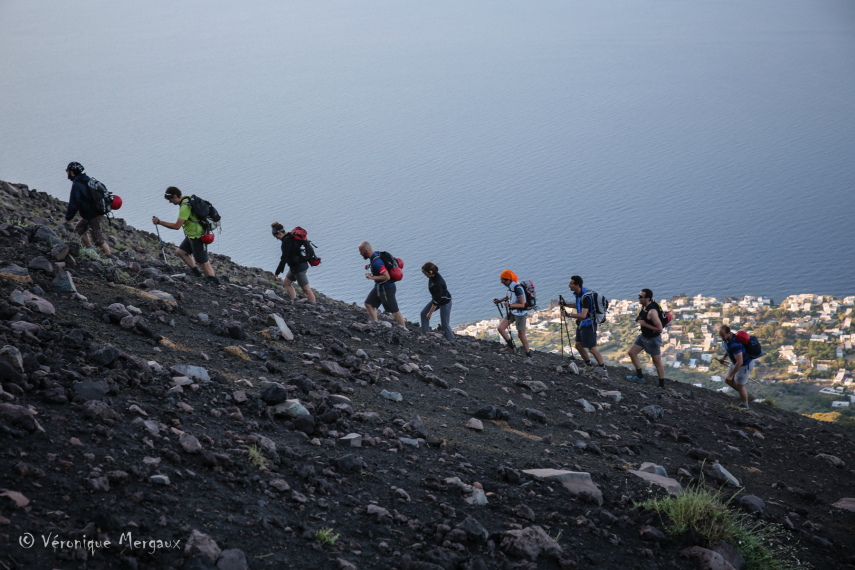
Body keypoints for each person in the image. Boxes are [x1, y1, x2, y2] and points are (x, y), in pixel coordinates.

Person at [152, 187, 219, 285]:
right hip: (191, 235)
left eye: (170, 199)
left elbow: (176, 226)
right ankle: (198, 275)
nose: (170, 202)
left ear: (175, 196)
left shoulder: (184, 207)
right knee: (181, 252)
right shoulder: (187, 199)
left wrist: (159, 222)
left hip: (197, 236)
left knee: (203, 262)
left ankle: (214, 283)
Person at [63, 162, 111, 255]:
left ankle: (109, 257)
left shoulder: (77, 185)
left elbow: (74, 203)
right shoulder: (87, 179)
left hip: (93, 214)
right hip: (91, 213)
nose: (67, 173)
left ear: (72, 172)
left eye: (67, 171)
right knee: (80, 228)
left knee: (98, 238)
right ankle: (89, 248)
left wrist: (68, 218)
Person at [561, 275, 606, 374]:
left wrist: (568, 314)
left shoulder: (585, 297)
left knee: (592, 348)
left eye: (571, 284)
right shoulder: (579, 294)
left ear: (577, 285)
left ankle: (603, 368)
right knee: (578, 345)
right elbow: (577, 305)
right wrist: (565, 304)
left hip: (589, 324)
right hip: (582, 324)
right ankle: (589, 365)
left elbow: (583, 315)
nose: (569, 285)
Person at [359, 241, 405, 326]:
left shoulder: (377, 262)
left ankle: (405, 331)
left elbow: (386, 276)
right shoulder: (375, 254)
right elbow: (380, 264)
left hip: (386, 289)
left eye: (361, 252)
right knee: (368, 304)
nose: (360, 254)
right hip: (379, 287)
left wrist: (371, 277)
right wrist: (370, 265)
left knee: (395, 312)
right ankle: (375, 325)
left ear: (366, 251)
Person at [626, 288, 666, 387]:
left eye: (641, 296)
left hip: (652, 339)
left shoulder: (652, 311)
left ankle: (661, 385)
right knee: (632, 353)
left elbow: (659, 329)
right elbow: (643, 316)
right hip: (643, 336)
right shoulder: (645, 306)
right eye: (639, 295)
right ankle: (640, 377)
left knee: (656, 362)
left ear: (647, 298)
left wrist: (644, 324)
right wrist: (640, 318)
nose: (638, 298)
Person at [493, 270, 533, 364]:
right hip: (513, 311)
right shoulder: (511, 287)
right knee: (501, 328)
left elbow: (522, 304)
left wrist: (510, 305)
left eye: (502, 280)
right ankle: (511, 347)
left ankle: (529, 356)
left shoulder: (517, 288)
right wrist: (499, 301)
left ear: (507, 280)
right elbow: (508, 296)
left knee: (521, 335)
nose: (501, 282)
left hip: (520, 314)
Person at [271, 222, 316, 303]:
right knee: (286, 283)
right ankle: (294, 301)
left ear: (280, 233)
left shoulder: (286, 242)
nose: (277, 238)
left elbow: (284, 259)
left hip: (299, 268)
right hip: (295, 266)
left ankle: (314, 306)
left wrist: (277, 272)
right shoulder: (290, 236)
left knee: (306, 290)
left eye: (276, 236)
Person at [718, 326, 756, 410]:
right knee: (728, 380)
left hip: (745, 365)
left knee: (740, 386)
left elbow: (740, 362)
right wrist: (723, 358)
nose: (722, 338)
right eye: (721, 336)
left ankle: (745, 405)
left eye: (723, 336)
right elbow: (729, 350)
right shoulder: (728, 339)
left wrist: (732, 375)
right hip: (736, 362)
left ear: (729, 333)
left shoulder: (736, 344)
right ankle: (747, 395)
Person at [420, 262, 453, 340]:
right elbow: (435, 298)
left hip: (445, 302)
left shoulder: (438, 282)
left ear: (430, 272)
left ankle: (452, 340)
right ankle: (426, 334)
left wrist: (430, 313)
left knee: (445, 324)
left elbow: (437, 300)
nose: (424, 275)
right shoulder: (432, 277)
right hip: (436, 300)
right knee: (423, 314)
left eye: (425, 273)